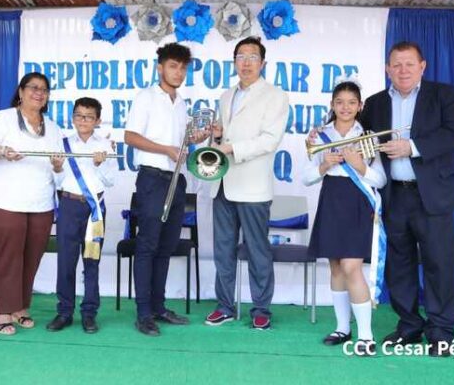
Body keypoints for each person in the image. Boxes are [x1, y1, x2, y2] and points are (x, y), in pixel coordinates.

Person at [361, 41, 454, 357]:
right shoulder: (375, 103)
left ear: (422, 67)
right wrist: (324, 135)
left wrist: (412, 147)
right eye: (396, 64)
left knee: (439, 264)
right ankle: (409, 325)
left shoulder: (444, 95)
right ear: (387, 69)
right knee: (399, 266)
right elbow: (358, 136)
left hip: (432, 196)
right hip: (394, 196)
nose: (403, 70)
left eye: (409, 64)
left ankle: (441, 331)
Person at [204, 36, 289, 330]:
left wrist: (231, 148)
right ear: (234, 62)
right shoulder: (226, 95)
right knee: (223, 250)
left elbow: (269, 140)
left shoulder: (275, 95)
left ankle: (261, 308)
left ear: (262, 63)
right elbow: (223, 137)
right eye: (241, 57)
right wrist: (217, 137)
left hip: (253, 186)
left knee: (257, 250)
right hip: (222, 183)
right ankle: (225, 306)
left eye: (253, 57)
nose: (246, 63)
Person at [124, 42, 207, 337]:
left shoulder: (181, 102)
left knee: (166, 245)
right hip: (152, 178)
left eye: (183, 68)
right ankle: (143, 313)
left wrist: (198, 136)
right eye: (173, 66)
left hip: (177, 179)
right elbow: (130, 136)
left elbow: (182, 140)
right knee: (147, 245)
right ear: (160, 68)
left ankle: (158, 307)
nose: (178, 72)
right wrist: (165, 150)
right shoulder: (146, 97)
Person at [0, 72, 65, 335]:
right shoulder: (2, 118)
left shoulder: (53, 128)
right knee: (6, 257)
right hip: (1, 199)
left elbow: (60, 170)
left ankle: (21, 307)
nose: (39, 93)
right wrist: (2, 151)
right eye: (33, 87)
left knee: (31, 257)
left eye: (44, 89)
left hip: (40, 202)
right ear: (21, 91)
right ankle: (3, 310)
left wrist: (58, 166)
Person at [302, 80, 387, 355]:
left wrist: (360, 166)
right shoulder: (319, 135)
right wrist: (324, 165)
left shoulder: (369, 137)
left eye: (352, 102)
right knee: (336, 268)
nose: (345, 107)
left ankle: (366, 335)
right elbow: (306, 178)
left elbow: (380, 180)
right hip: (331, 200)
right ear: (332, 105)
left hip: (358, 203)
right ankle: (342, 328)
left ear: (360, 106)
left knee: (352, 267)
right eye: (340, 102)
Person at [46, 97, 116, 334]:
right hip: (69, 206)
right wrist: (57, 167)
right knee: (66, 261)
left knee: (91, 262)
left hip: (94, 209)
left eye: (88, 117)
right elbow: (57, 181)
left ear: (97, 120)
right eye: (78, 115)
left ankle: (89, 314)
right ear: (73, 117)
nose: (83, 120)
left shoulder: (105, 146)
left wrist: (100, 164)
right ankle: (64, 312)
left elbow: (110, 181)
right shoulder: (62, 143)